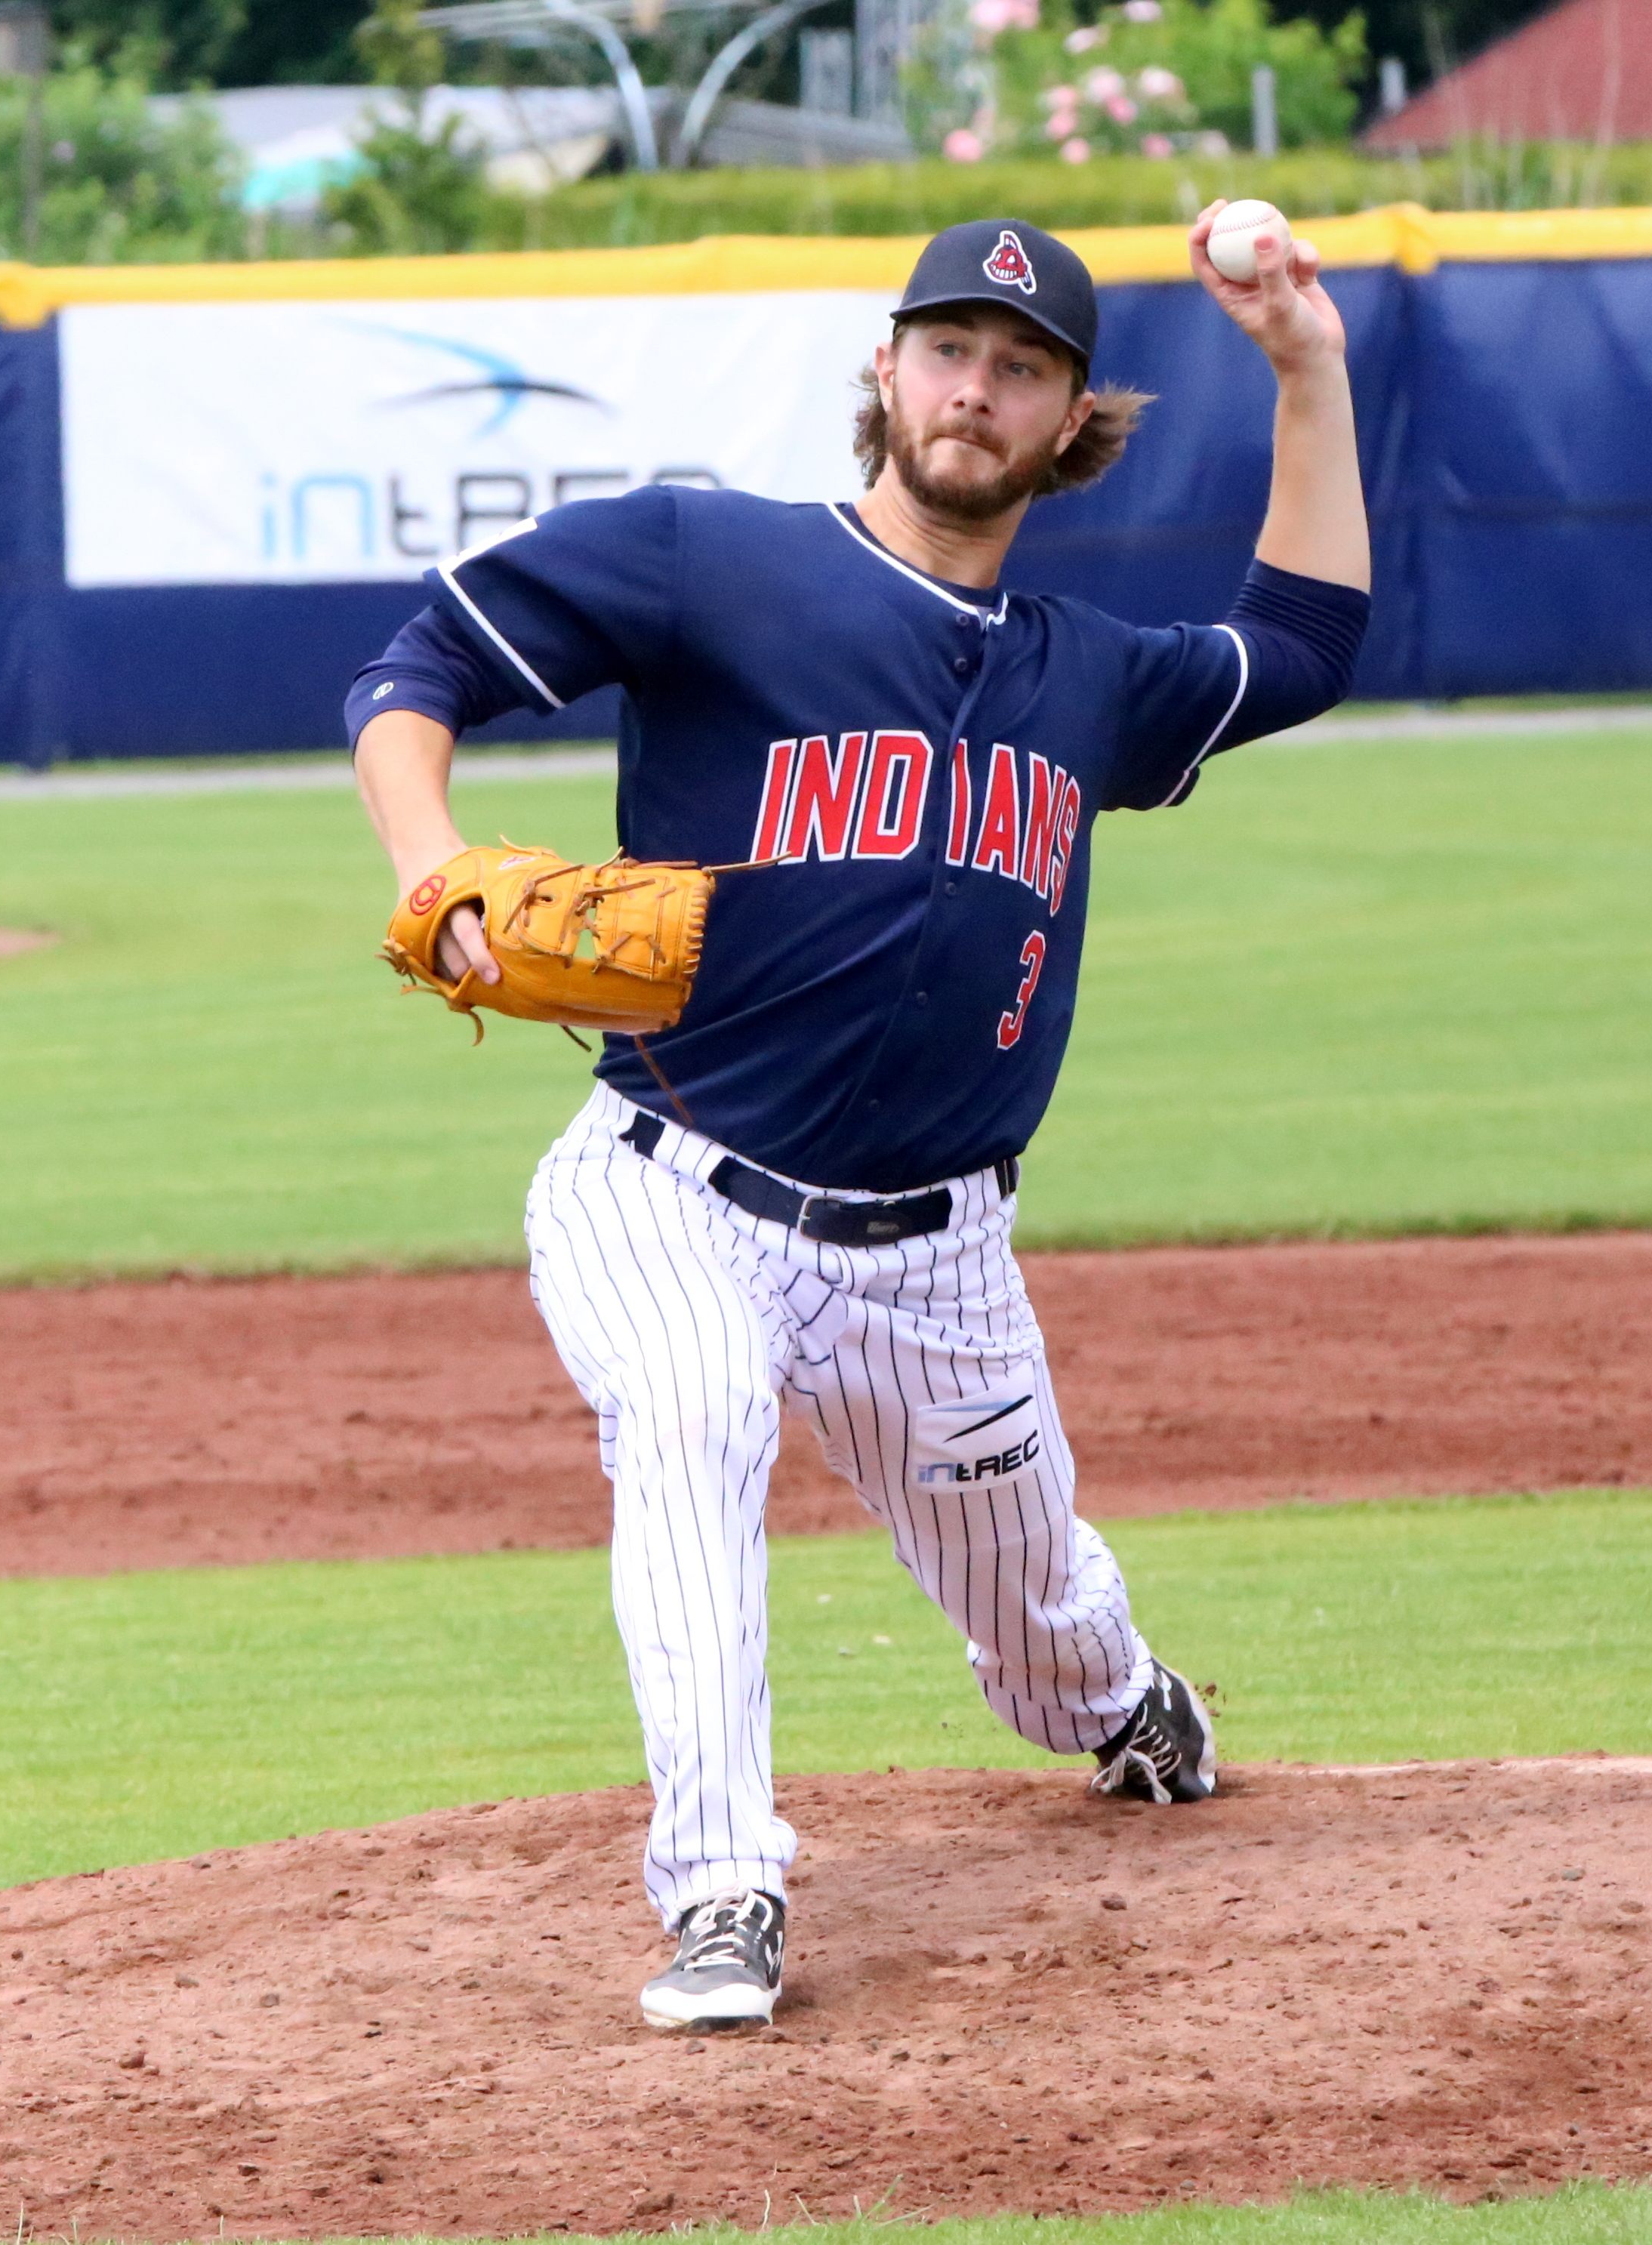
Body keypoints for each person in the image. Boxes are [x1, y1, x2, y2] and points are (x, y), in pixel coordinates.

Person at [347, 208, 1369, 2032]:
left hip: (938, 1258)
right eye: (949, 347)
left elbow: (1299, 645)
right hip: (664, 1180)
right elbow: (413, 670)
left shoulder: (1090, 679)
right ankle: (723, 1885)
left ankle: (1124, 1696)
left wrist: (1306, 362)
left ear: (1070, 425)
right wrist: (439, 872)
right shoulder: (703, 560)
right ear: (885, 369)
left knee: (1041, 1623)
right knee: (692, 1414)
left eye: (1023, 365)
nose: (976, 388)